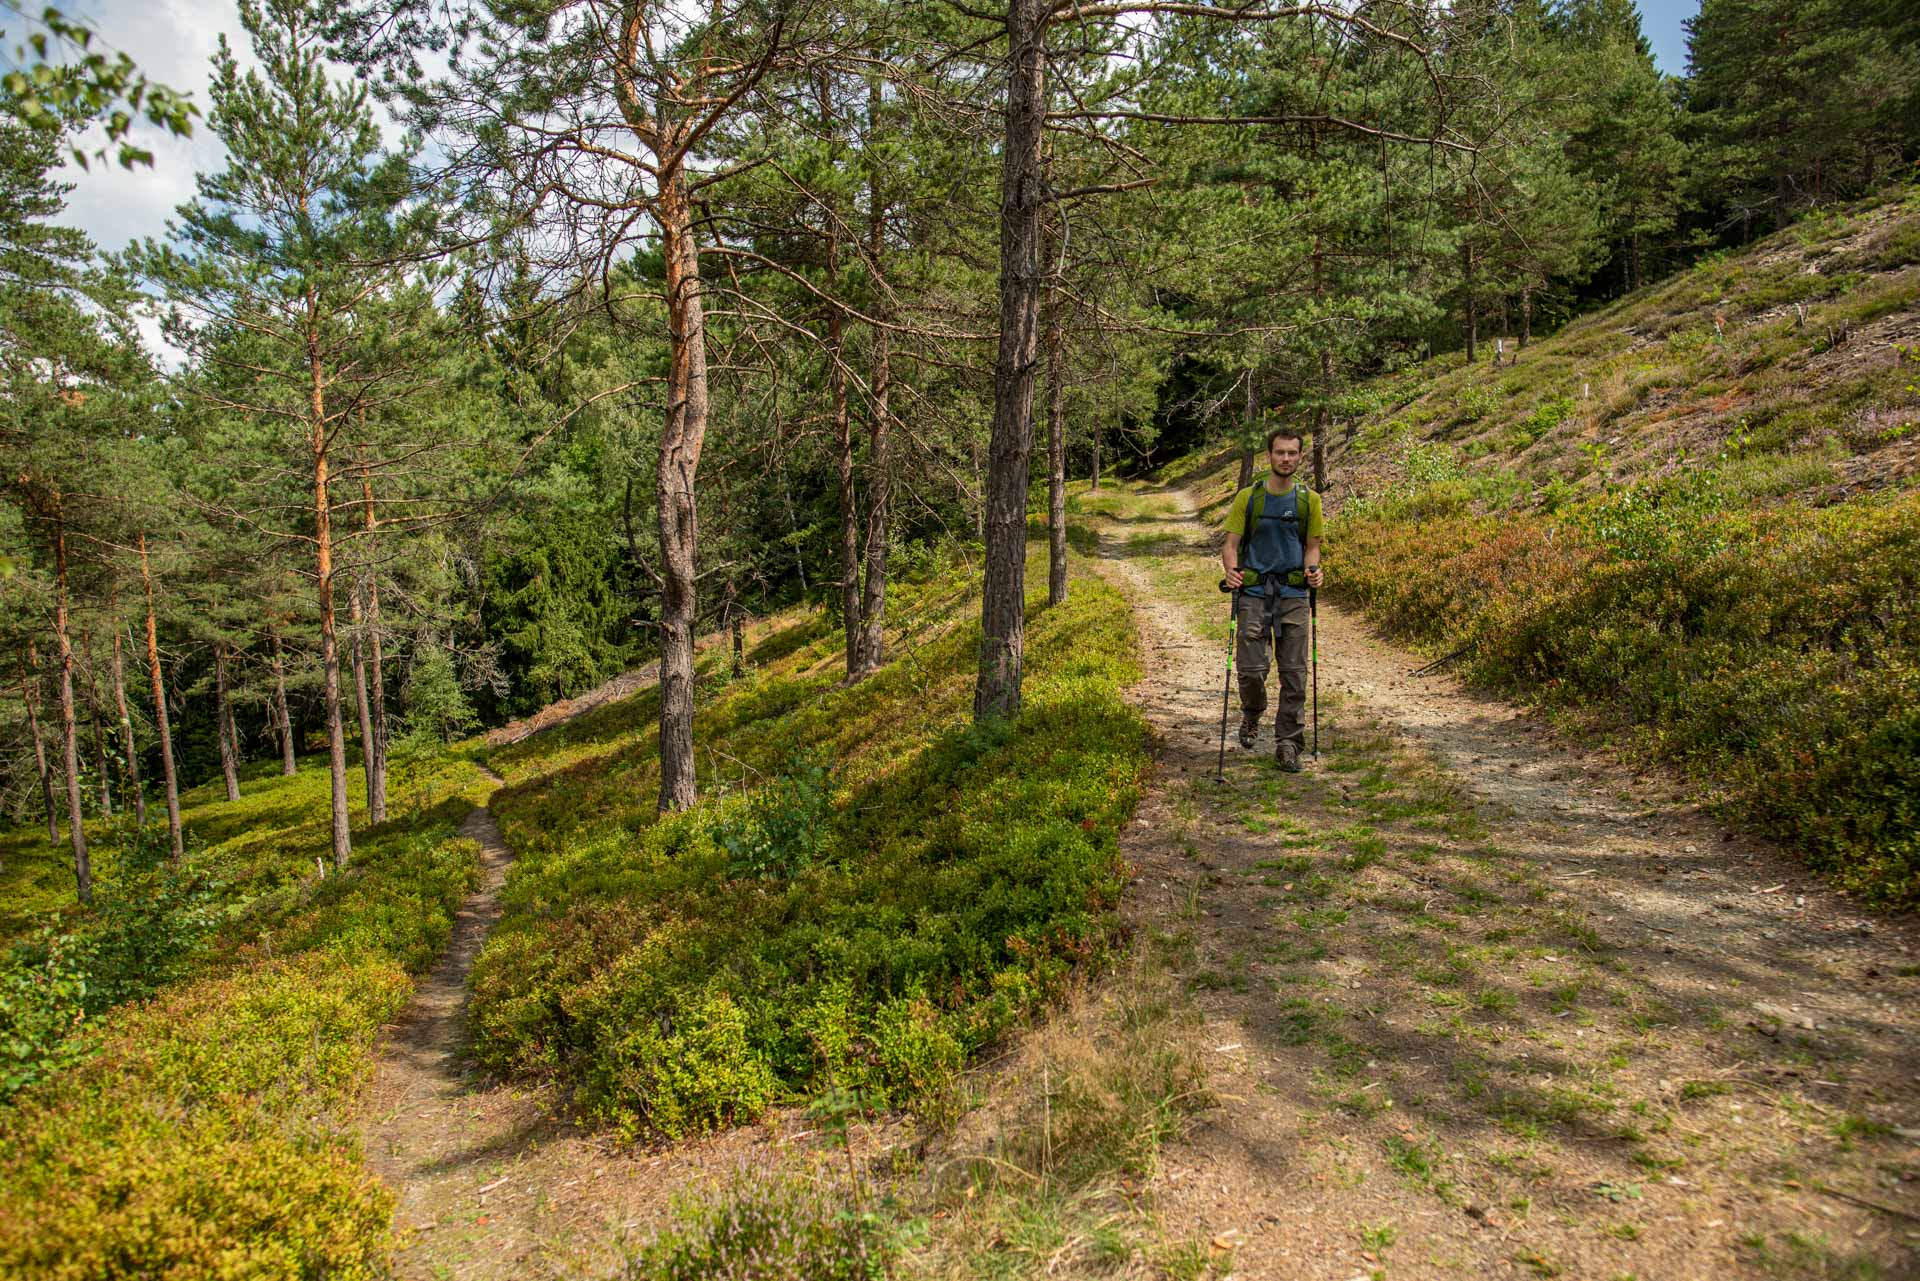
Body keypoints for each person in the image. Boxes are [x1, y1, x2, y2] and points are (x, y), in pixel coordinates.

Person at [1220, 427, 1324, 771]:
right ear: (1269, 455)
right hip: (1253, 594)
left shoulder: (1309, 500)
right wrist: (1231, 572)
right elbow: (1231, 544)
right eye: (1280, 452)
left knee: (1294, 673)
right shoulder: (1249, 498)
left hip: (1294, 595)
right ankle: (1252, 712)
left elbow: (1312, 546)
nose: (1286, 458)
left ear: (1300, 456)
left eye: (1292, 453)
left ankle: (1288, 743)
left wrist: (1314, 571)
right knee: (1251, 670)